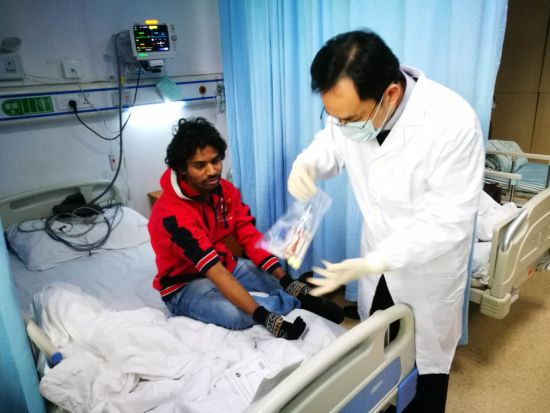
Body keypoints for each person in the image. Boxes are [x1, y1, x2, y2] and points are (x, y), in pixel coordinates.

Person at [287, 30, 484, 411]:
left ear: (390, 94)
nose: (341, 125)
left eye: (350, 118)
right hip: (376, 260)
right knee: (378, 357)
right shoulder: (352, 111)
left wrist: (378, 259)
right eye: (333, 117)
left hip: (427, 269)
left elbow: (447, 221)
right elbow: (331, 144)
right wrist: (307, 163)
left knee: (425, 375)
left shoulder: (453, 121)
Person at [148, 117, 343, 341]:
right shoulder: (171, 214)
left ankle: (293, 297)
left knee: (275, 277)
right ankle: (289, 303)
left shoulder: (224, 191)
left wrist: (286, 281)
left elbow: (249, 236)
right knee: (236, 314)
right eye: (200, 166)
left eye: (215, 161)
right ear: (182, 169)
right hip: (185, 285)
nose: (212, 171)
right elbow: (215, 272)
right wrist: (265, 317)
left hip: (224, 263)